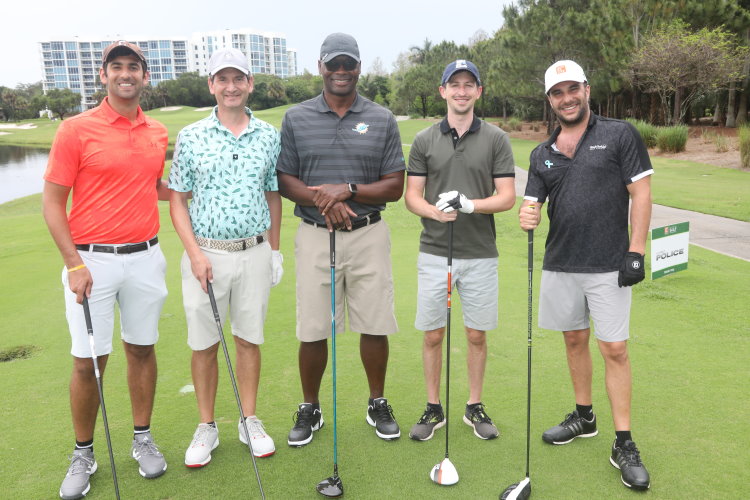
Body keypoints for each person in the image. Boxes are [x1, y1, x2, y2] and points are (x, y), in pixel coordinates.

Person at [43, 40, 170, 500]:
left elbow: (152, 184)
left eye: (133, 67)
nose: (125, 74)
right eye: (116, 66)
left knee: (141, 350)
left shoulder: (156, 131)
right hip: (90, 261)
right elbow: (53, 203)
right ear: (103, 75)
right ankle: (83, 453)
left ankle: (142, 437)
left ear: (145, 76)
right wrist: (73, 263)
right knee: (88, 360)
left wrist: (189, 193)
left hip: (145, 258)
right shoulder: (76, 130)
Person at [518, 60, 652, 490]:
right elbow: (532, 205)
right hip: (561, 263)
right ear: (550, 100)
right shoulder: (542, 153)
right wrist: (527, 215)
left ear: (587, 90)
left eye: (572, 88)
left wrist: (636, 251)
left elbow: (642, 193)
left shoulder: (619, 134)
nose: (567, 98)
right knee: (574, 340)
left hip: (609, 263)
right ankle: (584, 416)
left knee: (614, 349)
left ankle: (624, 442)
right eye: (557, 92)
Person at [276, 32, 405, 445]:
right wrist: (323, 198)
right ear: (321, 68)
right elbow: (285, 179)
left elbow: (394, 186)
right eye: (334, 64)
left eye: (348, 64)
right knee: (313, 327)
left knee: (375, 323)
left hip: (368, 233)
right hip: (316, 234)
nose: (341, 71)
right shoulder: (296, 118)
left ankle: (377, 401)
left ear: (359, 68)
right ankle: (310, 407)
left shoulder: (381, 118)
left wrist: (346, 189)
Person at [168, 48, 283, 467]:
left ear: (249, 84)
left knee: (249, 338)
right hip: (206, 257)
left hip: (254, 251)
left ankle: (248, 419)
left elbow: (273, 194)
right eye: (223, 79)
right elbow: (177, 201)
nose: (231, 86)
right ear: (212, 85)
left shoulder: (269, 135)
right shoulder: (192, 135)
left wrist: (274, 250)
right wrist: (194, 254)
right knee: (204, 344)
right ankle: (206, 426)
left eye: (239, 79)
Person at [404, 60, 516, 441]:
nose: (462, 91)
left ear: (479, 92)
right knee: (433, 335)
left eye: (469, 85)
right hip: (435, 252)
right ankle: (434, 407)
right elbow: (412, 196)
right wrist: (434, 212)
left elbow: (506, 198)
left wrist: (470, 205)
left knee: (476, 335)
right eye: (455, 84)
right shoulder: (423, 140)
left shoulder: (496, 138)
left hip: (480, 253)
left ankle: (473, 406)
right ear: (443, 91)